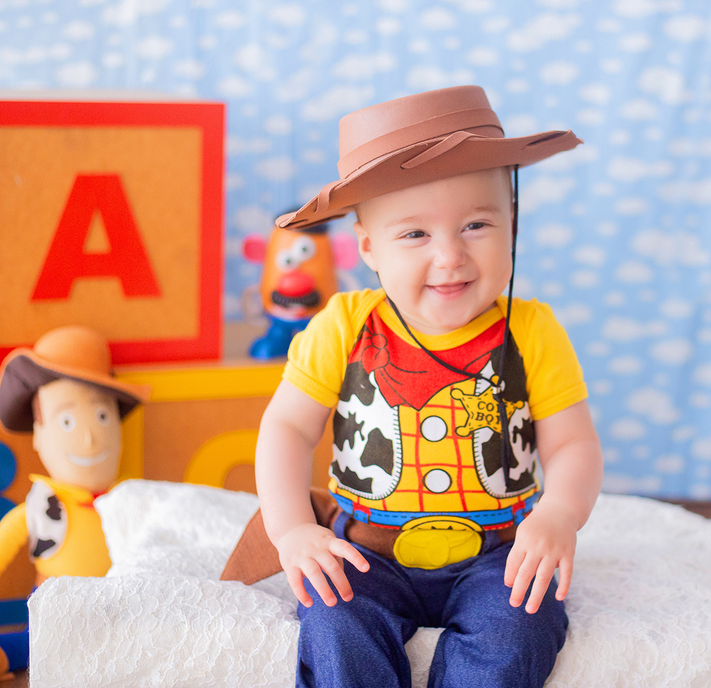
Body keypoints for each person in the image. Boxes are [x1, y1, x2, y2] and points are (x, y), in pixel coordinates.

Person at [253, 86, 603, 688]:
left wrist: (560, 515)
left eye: (476, 224)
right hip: (367, 552)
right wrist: (291, 530)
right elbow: (286, 428)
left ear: (511, 226)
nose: (450, 256)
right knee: (336, 620)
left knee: (520, 626)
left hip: (501, 555)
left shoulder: (530, 331)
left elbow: (572, 444)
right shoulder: (343, 326)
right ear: (369, 248)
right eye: (414, 235)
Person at [0, 326, 149, 688]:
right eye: (67, 421)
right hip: (55, 603)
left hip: (119, 604)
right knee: (37, 643)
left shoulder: (131, 499)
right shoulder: (40, 507)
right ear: (38, 434)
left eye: (102, 417)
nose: (88, 436)